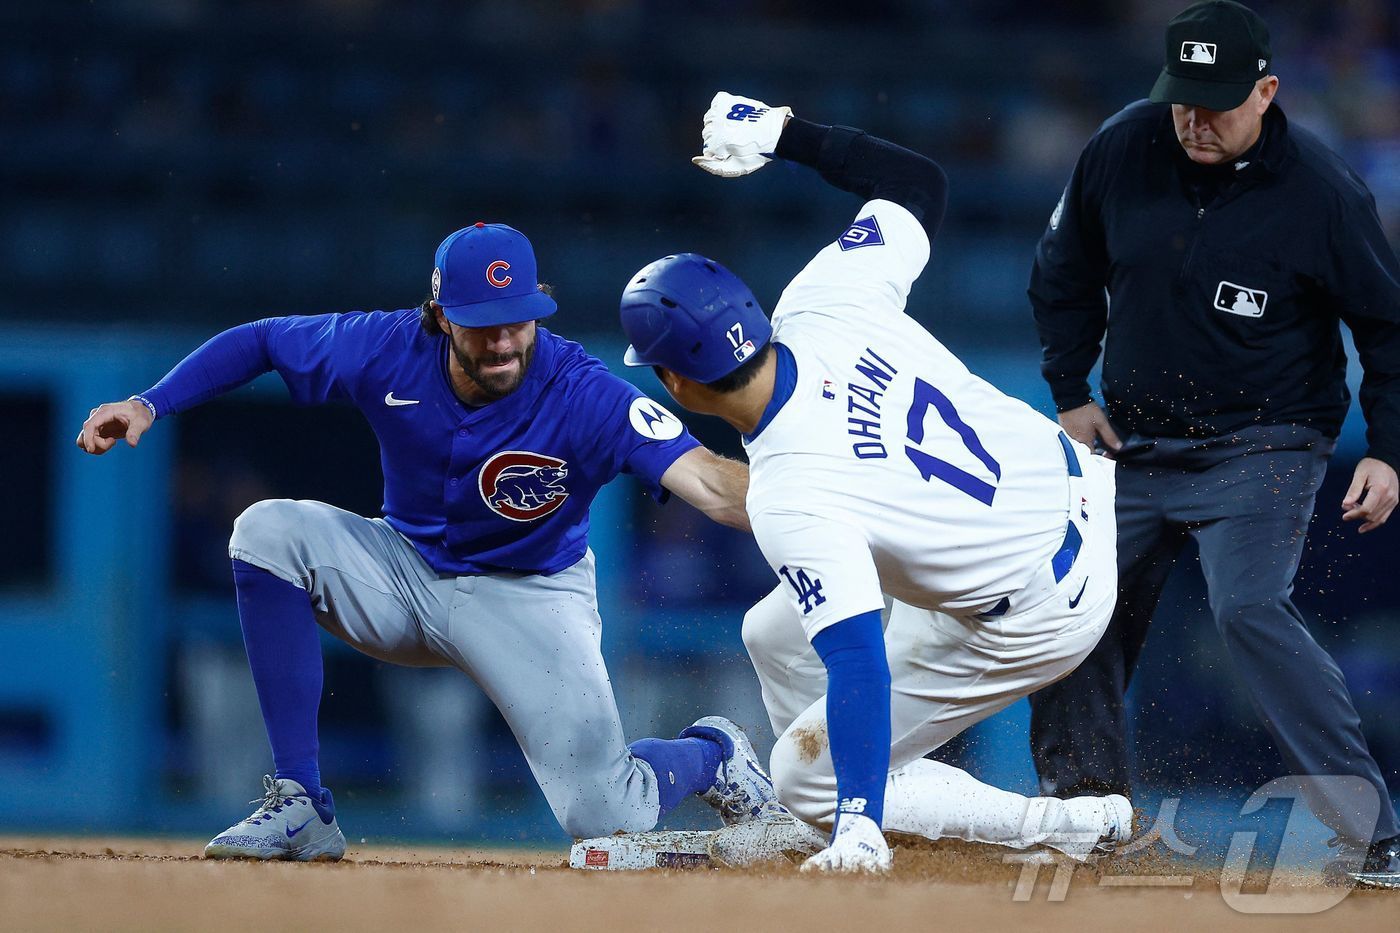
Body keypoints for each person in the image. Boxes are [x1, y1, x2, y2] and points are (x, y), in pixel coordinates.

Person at [76, 221, 779, 860]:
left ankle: (712, 753)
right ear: (440, 315)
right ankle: (300, 804)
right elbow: (262, 340)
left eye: (517, 320)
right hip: (403, 569)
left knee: (606, 815)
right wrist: (148, 402)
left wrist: (831, 507)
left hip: (531, 596)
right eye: (482, 325)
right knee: (265, 531)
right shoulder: (387, 346)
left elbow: (714, 486)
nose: (503, 341)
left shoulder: (585, 392)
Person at [618, 92, 1131, 873]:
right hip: (1071, 486)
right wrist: (789, 134)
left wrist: (859, 820)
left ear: (677, 385)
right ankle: (835, 808)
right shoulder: (823, 297)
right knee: (771, 632)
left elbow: (860, 659)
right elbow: (919, 184)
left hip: (1037, 606)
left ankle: (1055, 824)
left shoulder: (788, 491)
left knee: (801, 771)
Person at [1026, 0, 1400, 889]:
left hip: (1264, 444)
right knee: (1067, 609)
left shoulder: (1322, 190)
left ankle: (1376, 836)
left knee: (1247, 609)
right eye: (1182, 97)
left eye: (1218, 102)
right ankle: (1089, 815)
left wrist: (1386, 447)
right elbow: (1062, 276)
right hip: (1134, 442)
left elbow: (1386, 330)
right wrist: (1070, 391)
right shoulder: (1120, 149)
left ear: (1267, 91)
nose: (1194, 118)